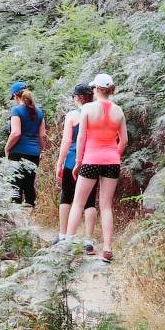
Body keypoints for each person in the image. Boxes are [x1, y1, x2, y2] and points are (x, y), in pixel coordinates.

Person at [64, 73, 128, 263]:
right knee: (106, 205)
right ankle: (107, 249)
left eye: (93, 88)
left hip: (91, 160)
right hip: (112, 161)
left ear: (97, 89)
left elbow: (81, 138)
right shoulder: (118, 111)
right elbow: (124, 140)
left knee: (78, 203)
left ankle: (67, 245)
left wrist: (78, 162)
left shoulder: (88, 109)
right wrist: (114, 155)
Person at [54, 84, 98, 253]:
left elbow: (67, 141)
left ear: (78, 97)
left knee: (66, 195)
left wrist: (60, 162)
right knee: (90, 200)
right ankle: (88, 240)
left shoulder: (73, 115)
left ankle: (63, 235)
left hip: (72, 159)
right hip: (91, 159)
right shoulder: (96, 113)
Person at [4, 81, 46, 207]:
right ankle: (29, 212)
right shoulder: (39, 112)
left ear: (15, 96)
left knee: (15, 185)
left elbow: (16, 133)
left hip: (18, 152)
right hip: (34, 153)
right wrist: (40, 150)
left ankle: (17, 215)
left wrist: (7, 148)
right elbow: (42, 135)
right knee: (29, 185)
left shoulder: (16, 110)